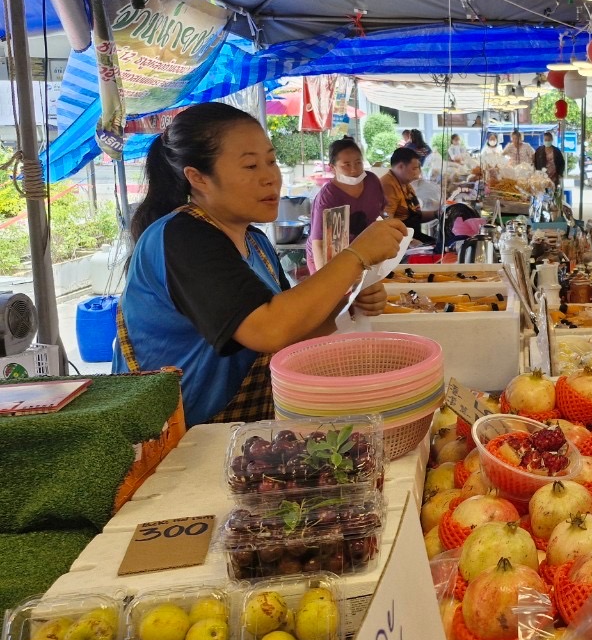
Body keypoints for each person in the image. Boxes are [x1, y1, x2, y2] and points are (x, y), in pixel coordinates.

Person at [114, 103, 407, 426]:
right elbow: (268, 329)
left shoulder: (257, 243)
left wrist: (346, 304)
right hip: (173, 442)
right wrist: (357, 256)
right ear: (198, 178)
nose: (270, 177)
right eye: (251, 166)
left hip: (230, 434)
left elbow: (293, 335)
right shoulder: (182, 237)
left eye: (271, 161)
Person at [308, 137, 386, 272]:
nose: (354, 170)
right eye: (346, 165)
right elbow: (319, 244)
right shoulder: (329, 197)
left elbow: (380, 215)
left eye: (358, 163)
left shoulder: (372, 181)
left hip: (361, 252)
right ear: (332, 167)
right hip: (328, 256)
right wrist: (324, 277)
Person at [381, 147, 426, 240]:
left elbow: (416, 214)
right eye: (414, 168)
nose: (418, 172)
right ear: (401, 166)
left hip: (412, 235)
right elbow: (386, 223)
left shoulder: (406, 184)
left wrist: (436, 214)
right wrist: (409, 242)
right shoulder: (388, 185)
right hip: (401, 240)